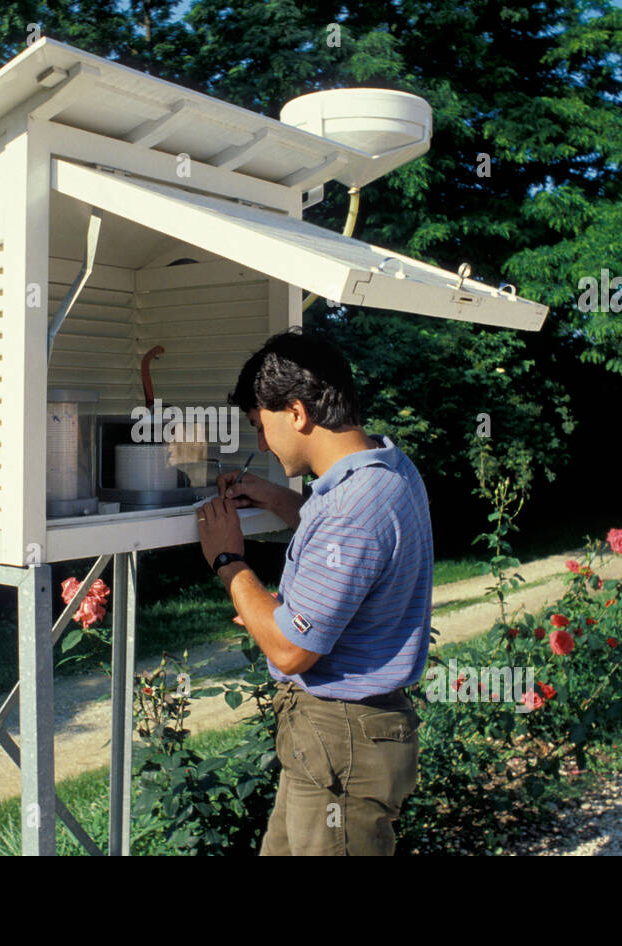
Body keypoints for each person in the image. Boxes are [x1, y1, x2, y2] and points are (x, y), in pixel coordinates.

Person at [195, 327, 433, 855]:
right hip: (336, 743)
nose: (261, 443)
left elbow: (291, 648)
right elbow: (350, 551)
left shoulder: (350, 510)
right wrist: (274, 497)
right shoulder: (386, 469)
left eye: (262, 426)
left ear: (298, 413)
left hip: (341, 742)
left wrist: (228, 561)